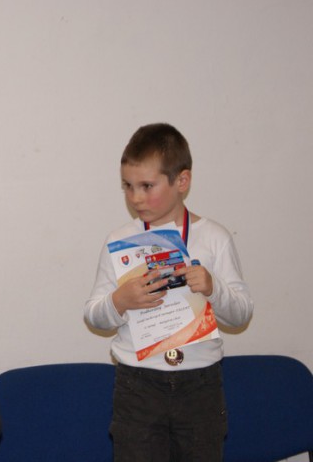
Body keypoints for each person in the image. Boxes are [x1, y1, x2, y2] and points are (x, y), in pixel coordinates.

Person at [84, 123, 253, 461]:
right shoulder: (120, 240)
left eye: (147, 186)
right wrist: (120, 301)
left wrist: (213, 288)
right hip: (138, 386)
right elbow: (93, 315)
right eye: (128, 186)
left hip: (200, 386)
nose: (136, 197)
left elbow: (241, 314)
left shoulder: (214, 238)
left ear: (182, 181)